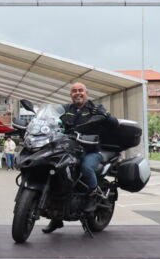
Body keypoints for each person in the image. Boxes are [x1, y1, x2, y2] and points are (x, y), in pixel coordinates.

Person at [43, 81, 118, 233]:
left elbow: (114, 123)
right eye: (74, 91)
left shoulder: (95, 108)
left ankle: (93, 196)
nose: (77, 93)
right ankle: (56, 218)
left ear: (86, 94)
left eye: (80, 90)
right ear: (70, 94)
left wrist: (106, 115)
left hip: (90, 151)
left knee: (86, 167)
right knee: (57, 174)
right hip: (68, 149)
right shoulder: (65, 109)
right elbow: (50, 119)